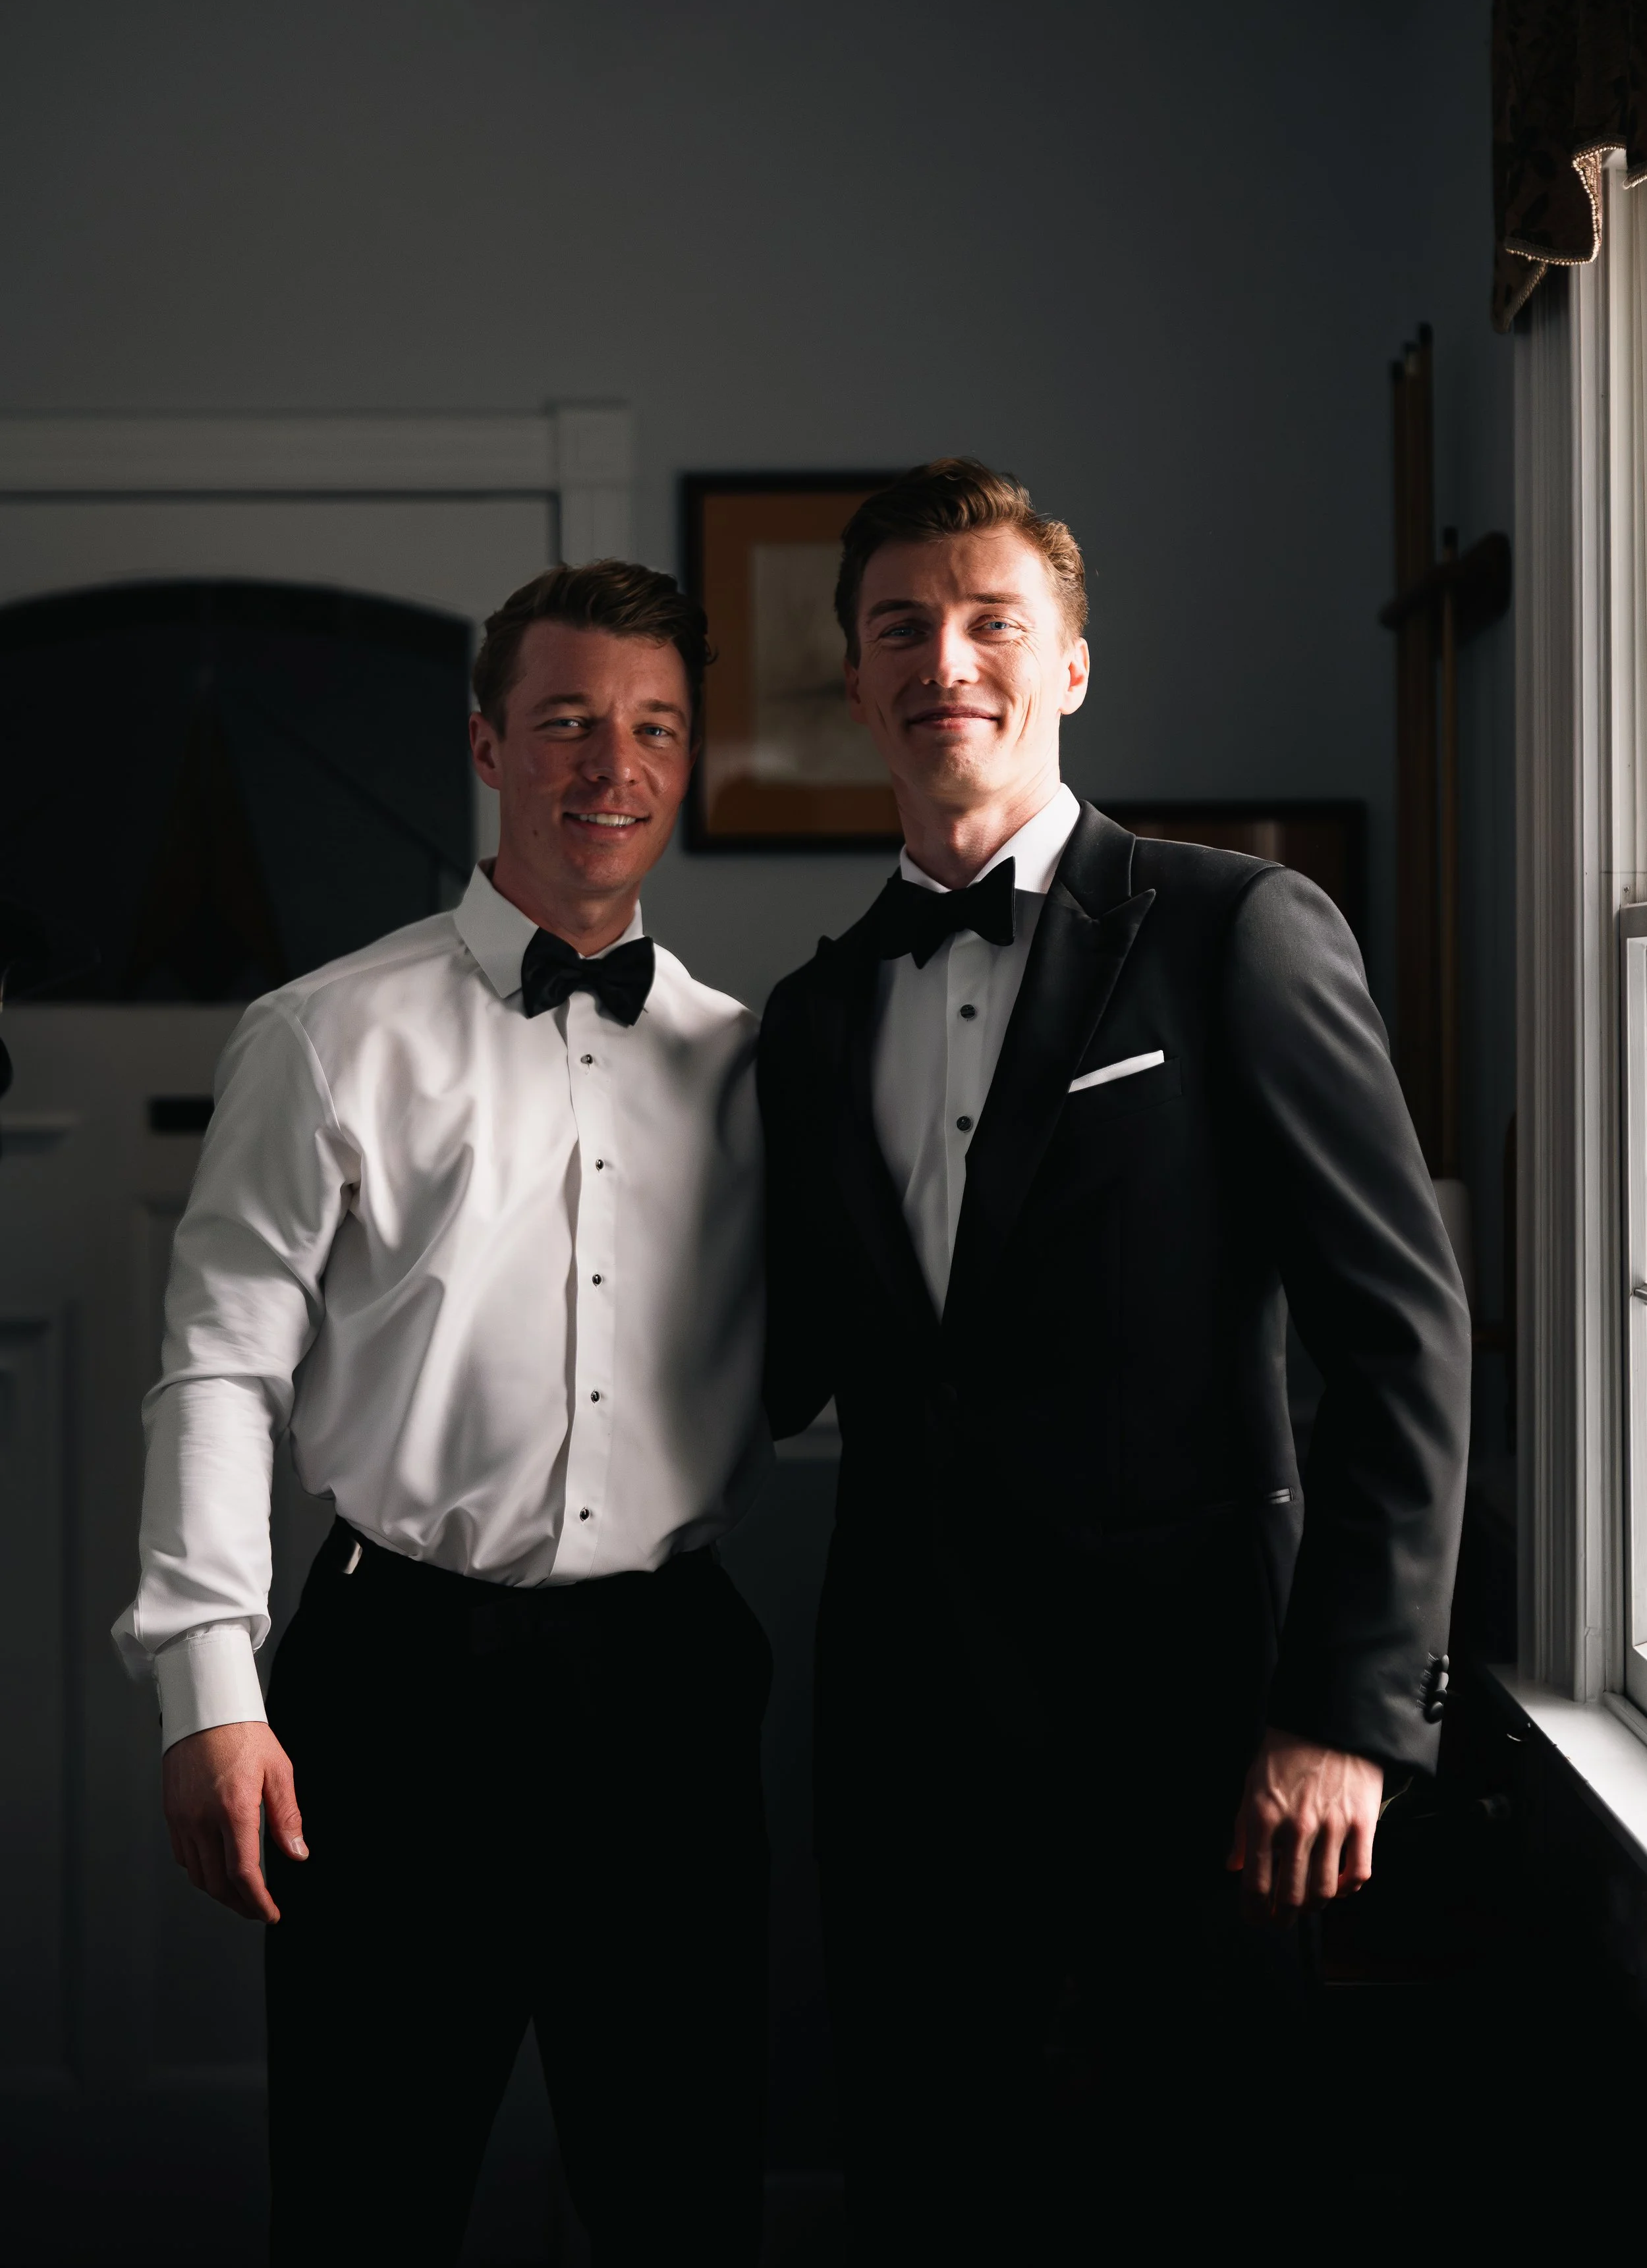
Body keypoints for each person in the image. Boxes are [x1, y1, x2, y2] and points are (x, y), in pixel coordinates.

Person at [758, 459, 1472, 2259]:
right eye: (900, 626)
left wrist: (1343, 1718)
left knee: (1211, 2192)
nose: (947, 658)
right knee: (929, 2190)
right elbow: (757, 1351)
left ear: (1070, 663)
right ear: (853, 681)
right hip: (907, 1739)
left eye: (992, 619)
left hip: (1203, 1734)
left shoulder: (1233, 929)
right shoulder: (817, 1008)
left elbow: (1401, 1333)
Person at [114, 561, 771, 2267]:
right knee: (364, 2194)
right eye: (564, 722)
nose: (605, 766)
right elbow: (218, 1366)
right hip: (395, 1682)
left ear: (685, 760)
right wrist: (207, 1684)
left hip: (668, 1681)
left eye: (649, 728)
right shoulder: (324, 1035)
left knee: (681, 2191)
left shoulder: (746, 1059)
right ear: (488, 742)